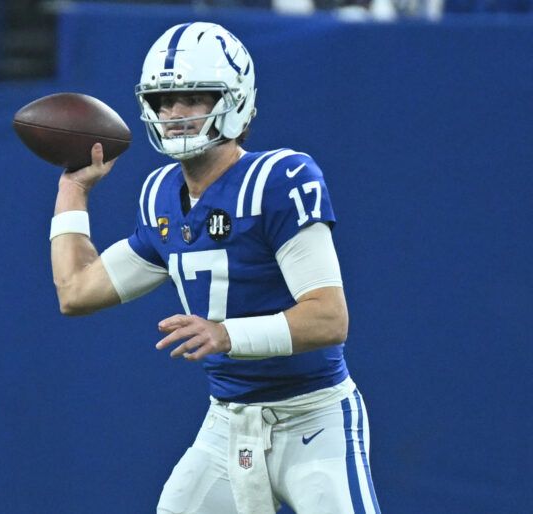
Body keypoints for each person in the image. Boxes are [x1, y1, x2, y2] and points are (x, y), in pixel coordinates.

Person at [49, 22, 380, 514]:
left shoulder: (278, 180)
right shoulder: (160, 196)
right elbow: (76, 291)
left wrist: (226, 334)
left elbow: (329, 319)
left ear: (236, 100)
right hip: (228, 423)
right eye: (164, 101)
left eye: (193, 98)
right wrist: (73, 189)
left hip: (314, 418)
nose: (174, 113)